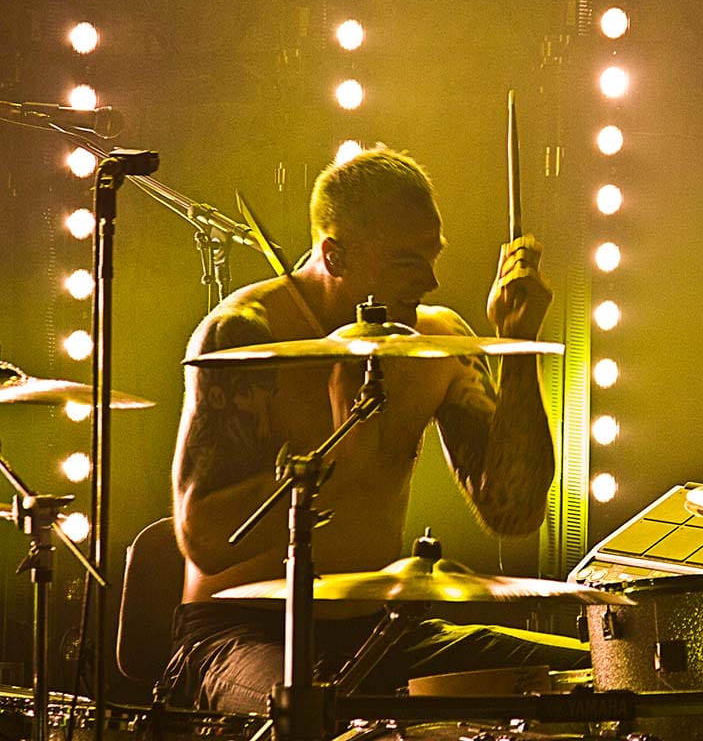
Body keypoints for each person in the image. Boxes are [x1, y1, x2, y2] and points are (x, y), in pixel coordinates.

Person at [165, 146, 588, 713]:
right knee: (314, 713)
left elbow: (513, 513)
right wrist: (342, 453)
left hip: (379, 628)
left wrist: (517, 345)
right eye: (406, 261)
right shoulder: (246, 333)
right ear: (334, 255)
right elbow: (206, 541)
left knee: (595, 678)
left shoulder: (439, 341)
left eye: (432, 257)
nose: (431, 281)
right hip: (239, 632)